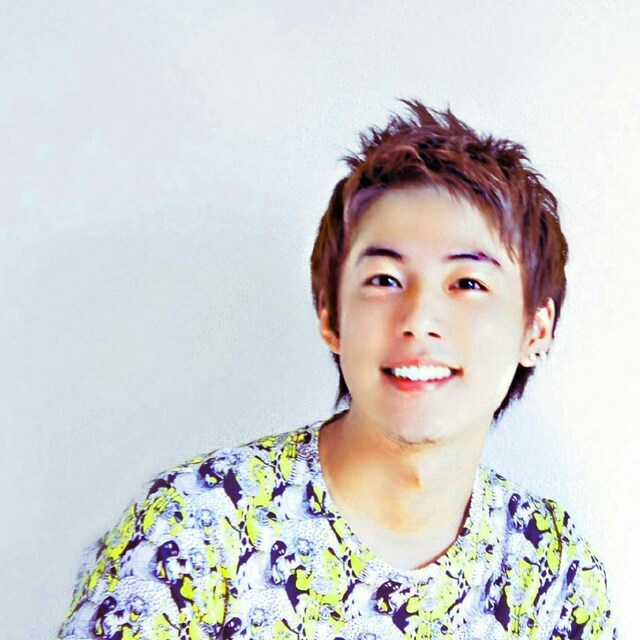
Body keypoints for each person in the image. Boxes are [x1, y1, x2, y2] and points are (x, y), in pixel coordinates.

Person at [58, 101, 616, 639]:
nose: (419, 320)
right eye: (385, 280)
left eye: (467, 284)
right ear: (330, 316)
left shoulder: (553, 569)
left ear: (534, 331)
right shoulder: (196, 529)